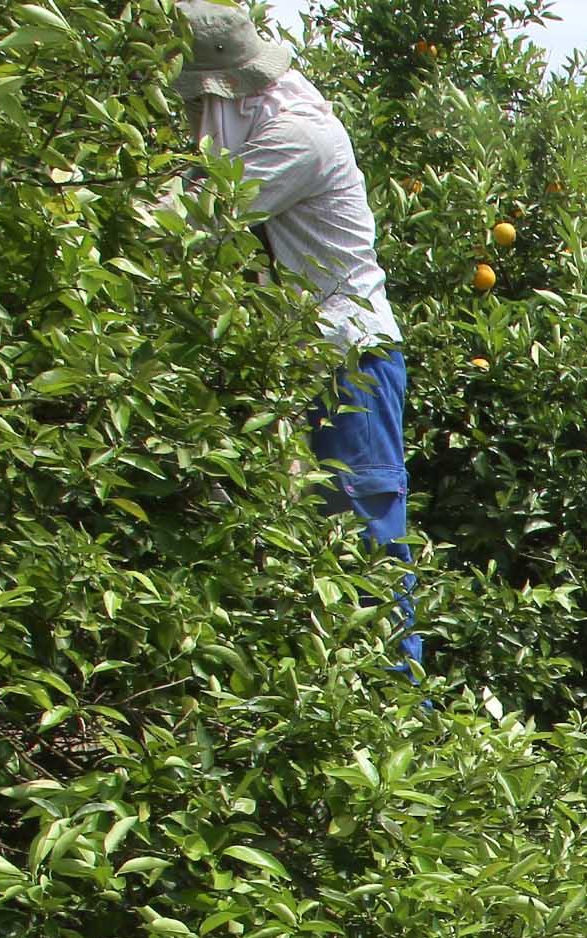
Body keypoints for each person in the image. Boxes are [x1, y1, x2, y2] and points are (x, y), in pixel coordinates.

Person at [173, 1, 420, 664]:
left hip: (352, 365)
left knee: (367, 547)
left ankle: (410, 723)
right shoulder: (271, 123)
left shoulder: (298, 136)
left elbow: (197, 214)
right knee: (312, 548)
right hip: (310, 364)